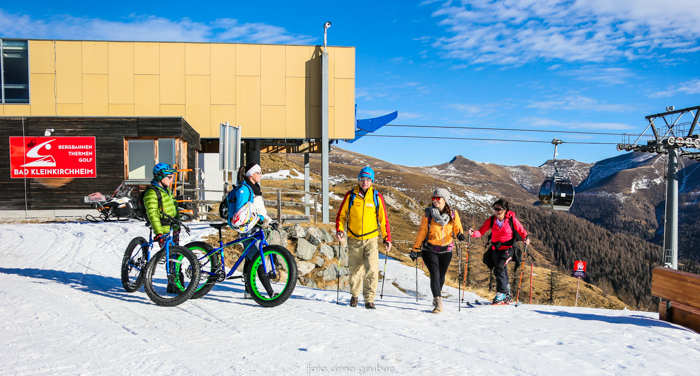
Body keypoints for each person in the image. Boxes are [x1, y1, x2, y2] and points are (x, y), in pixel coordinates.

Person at [335, 166, 392, 309]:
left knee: (372, 269)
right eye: (362, 179)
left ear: (372, 181)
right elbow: (341, 216)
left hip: (371, 239)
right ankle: (354, 295)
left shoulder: (376, 197)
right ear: (359, 180)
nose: (364, 182)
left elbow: (383, 220)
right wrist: (339, 230)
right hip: (353, 239)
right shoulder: (350, 195)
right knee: (355, 269)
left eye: (367, 179)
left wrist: (387, 238)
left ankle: (369, 299)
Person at [410, 188, 465, 313]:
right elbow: (422, 232)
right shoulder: (428, 214)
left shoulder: (453, 214)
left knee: (441, 277)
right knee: (434, 274)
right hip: (430, 249)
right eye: (433, 198)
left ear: (445, 199)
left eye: (437, 198)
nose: (435, 201)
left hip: (446, 251)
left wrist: (460, 234)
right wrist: (415, 249)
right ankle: (438, 301)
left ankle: (436, 294)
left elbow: (457, 228)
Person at [469, 198, 530, 304]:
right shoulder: (492, 220)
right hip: (495, 250)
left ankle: (501, 293)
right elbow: (481, 231)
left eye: (499, 209)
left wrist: (526, 238)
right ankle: (507, 295)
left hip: (508, 250)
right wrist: (473, 233)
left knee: (499, 268)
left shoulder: (511, 220)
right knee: (502, 271)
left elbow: (521, 230)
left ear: (505, 210)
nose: (496, 211)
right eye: (495, 209)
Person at [227, 163, 274, 299]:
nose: (260, 175)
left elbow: (258, 209)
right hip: (247, 228)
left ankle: (248, 291)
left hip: (255, 226)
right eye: (258, 172)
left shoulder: (255, 188)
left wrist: (267, 220)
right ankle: (270, 292)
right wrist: (259, 218)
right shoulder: (244, 189)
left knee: (250, 258)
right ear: (250, 174)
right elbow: (242, 211)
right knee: (257, 258)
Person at [144, 163, 180, 248]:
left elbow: (175, 208)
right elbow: (152, 214)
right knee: (167, 256)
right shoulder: (151, 192)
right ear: (160, 177)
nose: (171, 180)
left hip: (172, 228)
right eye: (169, 177)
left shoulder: (167, 191)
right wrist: (158, 232)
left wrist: (178, 224)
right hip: (163, 230)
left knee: (176, 256)